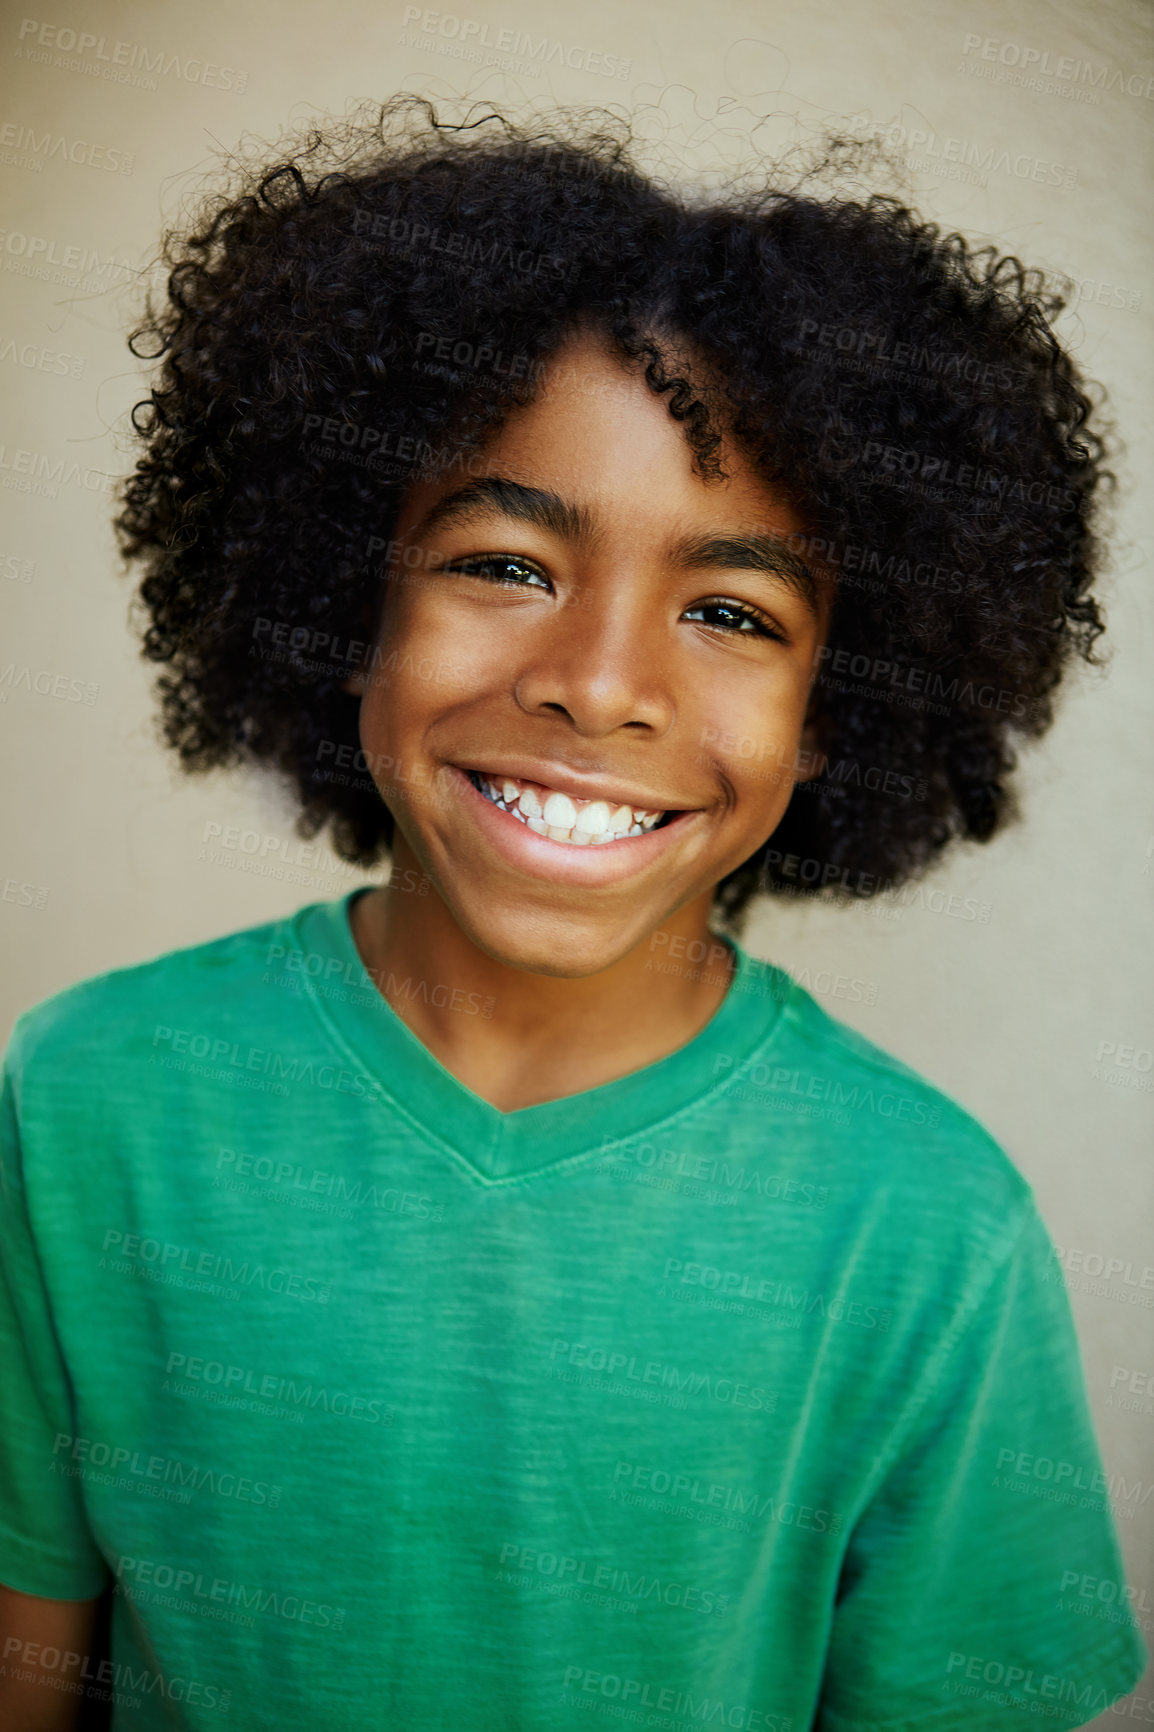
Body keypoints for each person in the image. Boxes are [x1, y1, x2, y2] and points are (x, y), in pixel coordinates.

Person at [0, 96, 1145, 1731]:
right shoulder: (89, 1102)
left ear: (835, 710)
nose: (600, 684)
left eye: (731, 609)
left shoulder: (925, 1232)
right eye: (504, 566)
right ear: (344, 602)